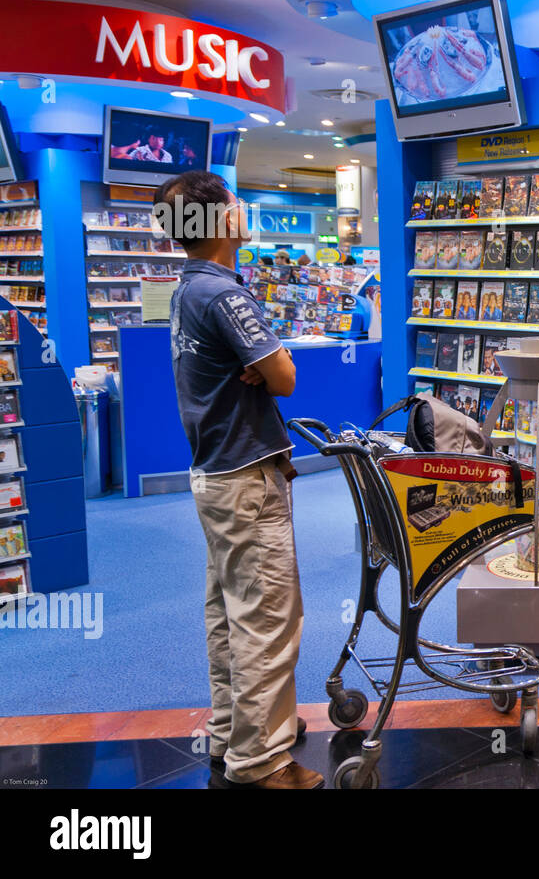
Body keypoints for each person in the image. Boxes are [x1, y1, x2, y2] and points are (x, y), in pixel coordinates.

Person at [157, 169, 321, 789]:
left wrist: (263, 364)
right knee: (268, 619)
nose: (243, 212)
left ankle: (233, 732)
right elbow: (283, 377)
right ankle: (261, 762)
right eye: (236, 205)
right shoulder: (225, 295)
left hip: (215, 475)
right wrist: (270, 364)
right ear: (221, 220)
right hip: (247, 480)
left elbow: (265, 368)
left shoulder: (189, 289)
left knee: (230, 611)